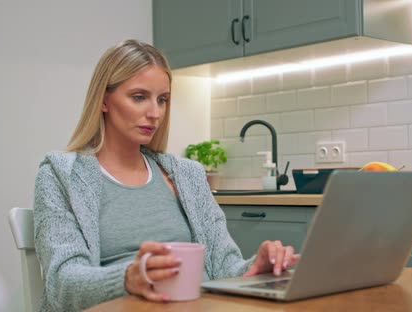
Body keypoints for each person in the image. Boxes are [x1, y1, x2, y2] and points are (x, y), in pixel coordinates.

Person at [33, 39, 299, 311]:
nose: (155, 113)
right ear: (103, 100)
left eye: (163, 100)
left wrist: (255, 267)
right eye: (139, 97)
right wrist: (128, 278)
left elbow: (224, 267)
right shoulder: (60, 174)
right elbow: (62, 282)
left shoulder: (188, 175)